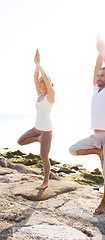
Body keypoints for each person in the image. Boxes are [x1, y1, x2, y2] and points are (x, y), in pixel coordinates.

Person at [69, 35, 105, 215]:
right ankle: (98, 152)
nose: (98, 77)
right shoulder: (95, 89)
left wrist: (104, 52)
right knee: (73, 149)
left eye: (102, 75)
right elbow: (98, 67)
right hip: (95, 136)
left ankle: (104, 201)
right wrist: (99, 53)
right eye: (98, 75)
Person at [18, 49, 55, 190]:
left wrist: (39, 63)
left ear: (47, 84)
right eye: (39, 82)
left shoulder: (50, 95)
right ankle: (37, 139)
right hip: (37, 129)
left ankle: (45, 182)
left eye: (42, 82)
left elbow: (43, 76)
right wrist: (35, 65)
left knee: (43, 157)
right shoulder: (39, 95)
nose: (39, 83)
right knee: (20, 141)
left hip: (47, 130)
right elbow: (35, 78)